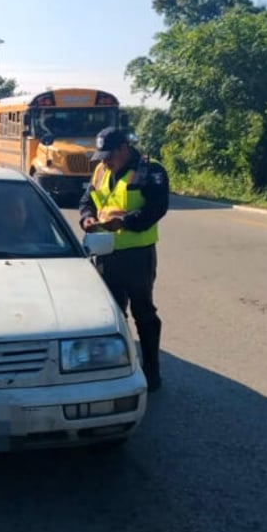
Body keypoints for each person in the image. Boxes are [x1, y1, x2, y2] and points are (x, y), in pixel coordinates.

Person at [79, 127, 169, 392]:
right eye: (102, 156)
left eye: (109, 155)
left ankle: (152, 373)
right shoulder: (101, 170)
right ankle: (117, 370)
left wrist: (125, 222)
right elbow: (87, 200)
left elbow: (157, 208)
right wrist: (86, 217)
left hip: (137, 254)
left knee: (144, 314)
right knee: (112, 315)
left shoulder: (150, 170)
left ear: (123, 149)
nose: (105, 161)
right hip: (105, 253)